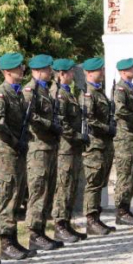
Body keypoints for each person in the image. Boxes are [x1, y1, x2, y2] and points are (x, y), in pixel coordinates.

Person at [0, 52, 37, 260]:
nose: (22, 70)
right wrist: (14, 141)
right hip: (6, 152)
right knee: (7, 195)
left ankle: (13, 239)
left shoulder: (17, 93)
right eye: (18, 68)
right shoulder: (2, 94)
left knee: (16, 195)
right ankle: (5, 242)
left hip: (17, 150)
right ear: (7, 71)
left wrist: (24, 138)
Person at [21, 54, 64, 251]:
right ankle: (34, 233)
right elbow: (31, 116)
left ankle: (42, 230)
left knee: (48, 191)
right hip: (38, 148)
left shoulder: (46, 90)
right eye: (47, 69)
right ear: (37, 71)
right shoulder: (30, 91)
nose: (50, 72)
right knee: (38, 191)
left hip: (50, 147)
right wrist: (49, 125)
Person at [50, 58, 90, 242]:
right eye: (71, 72)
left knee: (71, 186)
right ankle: (59, 225)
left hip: (73, 148)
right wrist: (77, 136)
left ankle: (66, 223)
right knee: (63, 187)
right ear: (61, 74)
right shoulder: (58, 93)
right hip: (64, 148)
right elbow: (62, 124)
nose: (73, 75)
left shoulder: (68, 92)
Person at [79, 57, 118, 235]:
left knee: (100, 182)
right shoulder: (88, 94)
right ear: (88, 73)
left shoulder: (99, 92)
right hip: (94, 145)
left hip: (104, 144)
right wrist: (107, 128)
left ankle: (97, 217)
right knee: (93, 183)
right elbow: (89, 120)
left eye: (102, 70)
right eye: (98, 70)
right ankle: (91, 219)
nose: (102, 73)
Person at [112, 58, 133, 226]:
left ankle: (126, 208)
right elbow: (120, 110)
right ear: (124, 71)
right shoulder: (120, 89)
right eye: (132, 68)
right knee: (125, 174)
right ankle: (121, 211)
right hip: (125, 137)